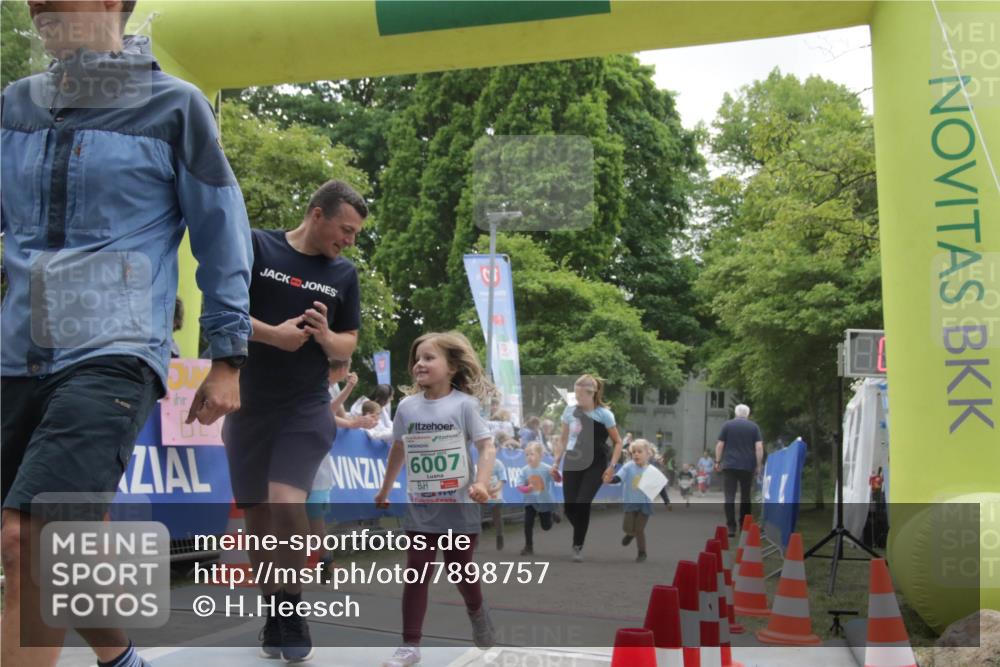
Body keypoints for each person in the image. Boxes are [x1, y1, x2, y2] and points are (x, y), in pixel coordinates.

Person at [1, 4, 252, 667]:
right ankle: (122, 660)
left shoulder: (176, 106)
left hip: (114, 350)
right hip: (16, 353)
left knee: (33, 539)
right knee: (66, 548)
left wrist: (226, 356)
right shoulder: (15, 105)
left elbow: (222, 234)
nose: (38, 3)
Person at [222, 179, 367, 663]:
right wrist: (273, 335)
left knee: (286, 503)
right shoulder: (257, 246)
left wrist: (326, 337)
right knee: (258, 516)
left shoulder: (343, 274)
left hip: (306, 407)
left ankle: (292, 606)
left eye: (355, 234)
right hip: (248, 404)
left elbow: (349, 341)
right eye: (345, 229)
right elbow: (225, 311)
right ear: (317, 214)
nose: (349, 241)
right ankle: (274, 611)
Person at [374, 332, 498, 667]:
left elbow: (487, 446)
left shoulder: (464, 405)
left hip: (459, 506)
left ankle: (476, 610)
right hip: (422, 505)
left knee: (459, 569)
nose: (419, 364)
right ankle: (410, 644)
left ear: (452, 366)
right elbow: (398, 448)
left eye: (429, 358)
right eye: (417, 358)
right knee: (417, 570)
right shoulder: (407, 407)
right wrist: (385, 489)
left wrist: (481, 483)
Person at [553, 374, 623, 562]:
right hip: (573, 460)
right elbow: (563, 439)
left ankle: (577, 545)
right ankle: (581, 529)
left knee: (582, 503)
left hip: (596, 462)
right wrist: (556, 463)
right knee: (570, 508)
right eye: (575, 394)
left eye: (580, 395)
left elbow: (618, 442)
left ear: (592, 394)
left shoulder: (604, 415)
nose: (577, 399)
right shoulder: (569, 411)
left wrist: (611, 467)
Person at [715, 404, 764, 537]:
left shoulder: (727, 425)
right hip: (747, 466)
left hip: (730, 465)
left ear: (735, 413)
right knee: (746, 496)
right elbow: (759, 447)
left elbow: (720, 445)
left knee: (729, 496)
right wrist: (758, 465)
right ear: (748, 414)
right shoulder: (754, 427)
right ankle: (744, 525)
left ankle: (731, 527)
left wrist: (718, 461)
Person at [611, 439, 656, 562]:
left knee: (639, 530)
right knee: (627, 527)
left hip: (645, 504)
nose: (636, 454)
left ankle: (642, 553)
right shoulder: (628, 466)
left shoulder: (651, 470)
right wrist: (610, 479)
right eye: (633, 452)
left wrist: (667, 500)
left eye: (639, 452)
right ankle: (630, 534)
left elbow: (660, 487)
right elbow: (618, 478)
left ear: (647, 454)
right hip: (630, 502)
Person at [517, 442, 557, 556]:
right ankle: (528, 546)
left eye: (532, 454)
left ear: (540, 455)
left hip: (544, 501)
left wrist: (555, 474)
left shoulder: (547, 468)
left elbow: (558, 479)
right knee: (528, 523)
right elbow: (519, 485)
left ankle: (552, 516)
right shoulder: (524, 470)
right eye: (527, 455)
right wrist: (526, 488)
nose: (529, 457)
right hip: (530, 501)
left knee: (546, 527)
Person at [483, 455, 508, 550]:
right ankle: (475, 541)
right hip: (483, 492)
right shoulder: (480, 463)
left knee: (497, 515)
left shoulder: (498, 464)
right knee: (477, 516)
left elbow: (502, 480)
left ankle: (499, 536)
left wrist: (495, 489)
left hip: (496, 493)